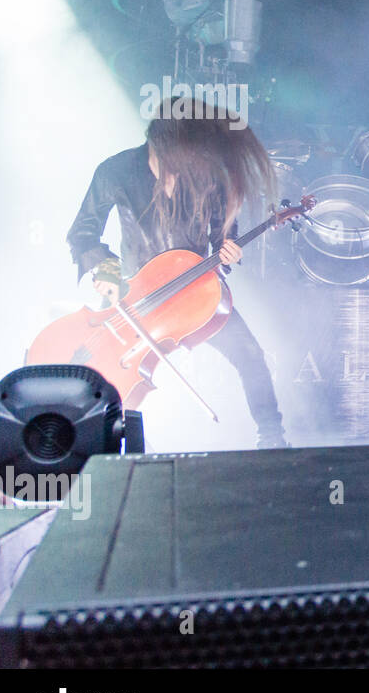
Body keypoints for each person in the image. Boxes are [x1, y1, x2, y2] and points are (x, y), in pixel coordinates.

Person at [66, 99, 288, 448]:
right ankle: (105, 443)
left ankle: (272, 435)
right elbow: (83, 233)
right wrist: (107, 272)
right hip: (135, 295)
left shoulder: (205, 173)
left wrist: (228, 249)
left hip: (195, 292)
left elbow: (223, 231)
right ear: (159, 144)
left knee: (250, 355)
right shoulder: (115, 171)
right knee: (113, 376)